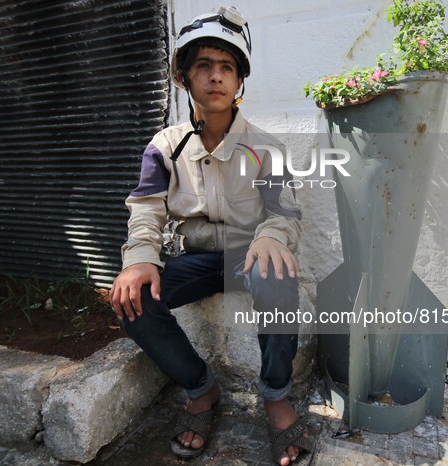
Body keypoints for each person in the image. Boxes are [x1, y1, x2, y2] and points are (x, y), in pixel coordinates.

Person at [109, 6, 313, 466]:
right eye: (203, 66)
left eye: (227, 68)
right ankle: (202, 390)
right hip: (197, 259)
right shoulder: (164, 147)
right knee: (133, 299)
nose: (215, 77)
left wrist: (271, 237)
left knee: (277, 276)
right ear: (183, 77)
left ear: (240, 82)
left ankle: (277, 398)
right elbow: (146, 208)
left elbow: (285, 212)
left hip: (249, 256)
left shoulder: (266, 149)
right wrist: (139, 257)